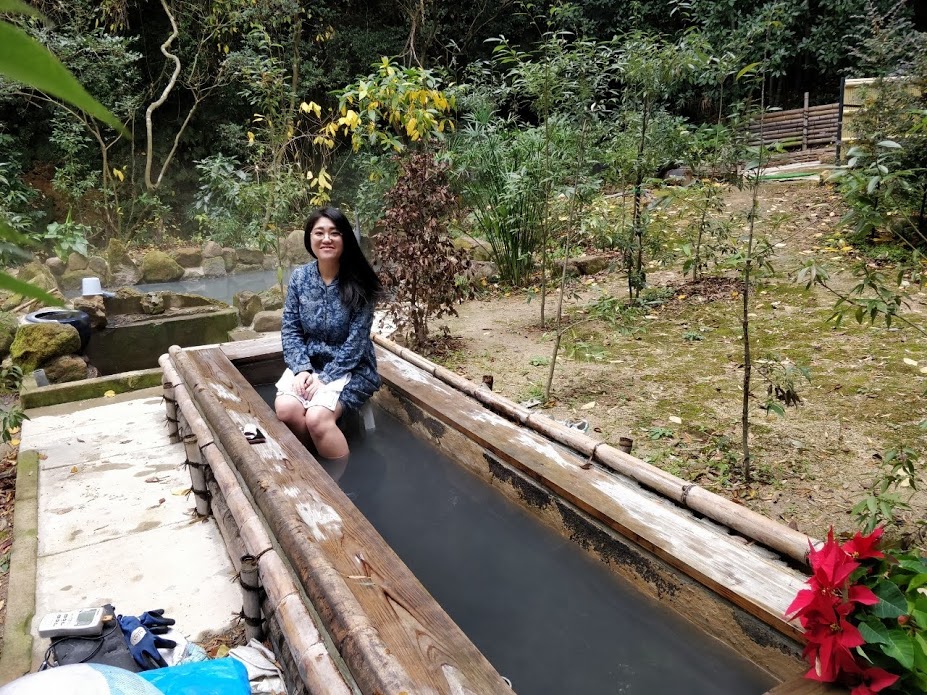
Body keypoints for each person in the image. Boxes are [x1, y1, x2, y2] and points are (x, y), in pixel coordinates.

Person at [275, 207, 382, 464]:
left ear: (345, 238)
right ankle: (315, 461)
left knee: (316, 418)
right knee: (286, 410)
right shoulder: (300, 278)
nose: (326, 239)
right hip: (310, 364)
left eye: (334, 233)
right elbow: (290, 328)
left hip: (353, 368)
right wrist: (301, 369)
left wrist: (324, 379)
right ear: (309, 238)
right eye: (319, 233)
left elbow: (356, 343)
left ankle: (342, 482)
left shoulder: (360, 281)